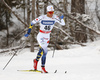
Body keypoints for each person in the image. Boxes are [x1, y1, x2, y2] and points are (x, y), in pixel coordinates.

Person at [24, 5, 65, 73]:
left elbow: (63, 24)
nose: (51, 14)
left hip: (47, 36)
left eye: (52, 12)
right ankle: (43, 67)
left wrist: (62, 19)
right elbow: (32, 23)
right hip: (41, 36)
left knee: (41, 50)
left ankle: (36, 60)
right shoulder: (42, 17)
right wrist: (28, 32)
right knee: (45, 51)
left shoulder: (55, 17)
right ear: (47, 12)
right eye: (50, 12)